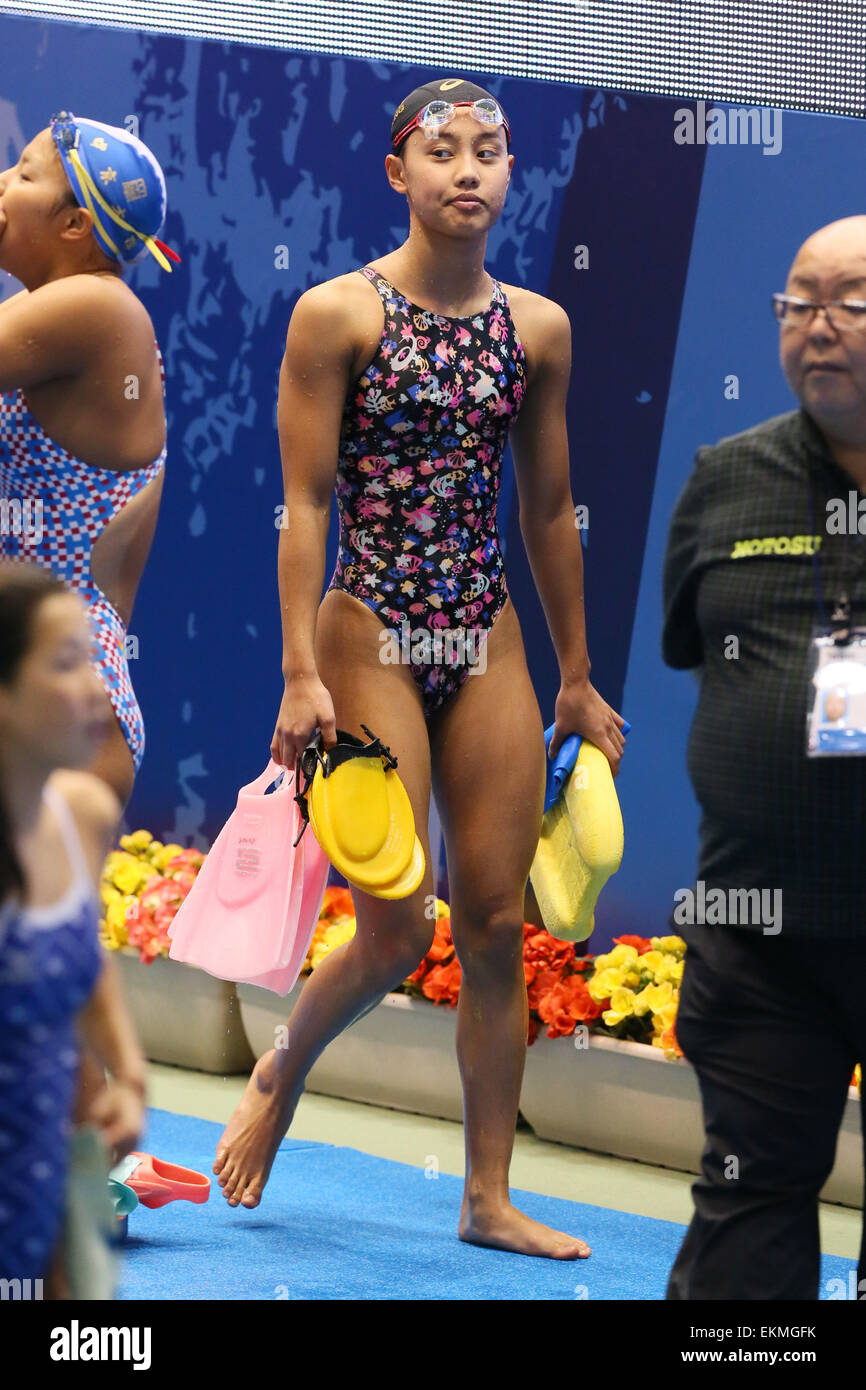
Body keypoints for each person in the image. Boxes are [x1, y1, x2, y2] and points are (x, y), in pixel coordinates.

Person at [214, 77, 626, 1260]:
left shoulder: (535, 328)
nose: (466, 169)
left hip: (480, 626)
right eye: (439, 150)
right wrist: (300, 670)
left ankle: (485, 1195)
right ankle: (282, 1070)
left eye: (488, 151)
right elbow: (300, 501)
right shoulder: (337, 315)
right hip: (370, 625)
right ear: (396, 174)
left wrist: (576, 676)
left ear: (510, 175)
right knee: (396, 922)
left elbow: (548, 510)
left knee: (495, 922)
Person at [662, 215, 866, 1299]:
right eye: (796, 303)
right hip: (759, 931)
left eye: (848, 303)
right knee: (747, 1204)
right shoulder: (723, 479)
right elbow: (690, 646)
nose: (815, 327)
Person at [0, 111, 179, 1235]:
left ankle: (83, 1176)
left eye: (20, 170)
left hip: (63, 707)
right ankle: (80, 1171)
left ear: (74, 223)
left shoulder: (95, 304)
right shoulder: (48, 311)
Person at [0, 562, 147, 1295]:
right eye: (66, 663)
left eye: (96, 656)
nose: (98, 686)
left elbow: (84, 960)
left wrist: (127, 1072)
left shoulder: (82, 813)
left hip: (56, 1181)